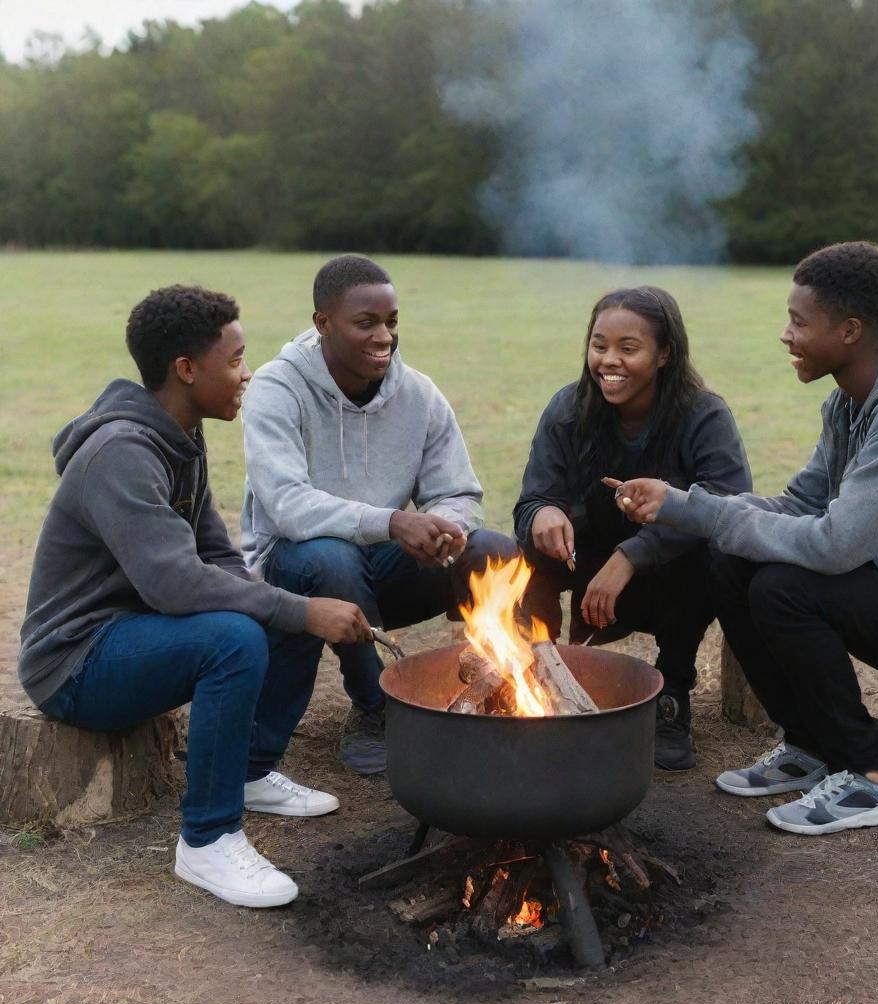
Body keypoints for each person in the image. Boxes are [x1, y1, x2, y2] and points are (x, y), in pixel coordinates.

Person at [608, 241, 878, 834]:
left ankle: (871, 777)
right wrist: (688, 507)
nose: (786, 334)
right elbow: (800, 505)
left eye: (799, 322)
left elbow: (833, 546)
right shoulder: (848, 404)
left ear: (850, 331)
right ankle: (808, 745)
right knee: (731, 559)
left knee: (786, 587)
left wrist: (689, 508)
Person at [18, 285, 374, 908]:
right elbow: (176, 583)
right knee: (234, 636)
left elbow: (215, 557)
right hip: (75, 662)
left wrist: (288, 606)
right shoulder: (122, 453)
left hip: (133, 633)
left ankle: (250, 770)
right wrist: (300, 613)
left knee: (270, 599)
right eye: (235, 360)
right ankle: (208, 840)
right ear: (186, 369)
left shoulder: (179, 436)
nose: (248, 373)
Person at [240, 254, 517, 775]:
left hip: (384, 565)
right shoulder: (277, 389)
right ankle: (374, 707)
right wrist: (391, 522)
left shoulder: (419, 395)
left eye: (390, 322)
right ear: (324, 323)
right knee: (332, 558)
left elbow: (459, 491)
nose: (383, 336)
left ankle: (496, 691)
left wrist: (447, 529)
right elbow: (286, 506)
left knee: (493, 550)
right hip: (296, 568)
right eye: (365, 323)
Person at [513, 286, 752, 771]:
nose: (608, 361)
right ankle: (538, 677)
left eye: (628, 348)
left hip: (666, 582)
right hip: (583, 566)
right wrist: (542, 514)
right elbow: (530, 500)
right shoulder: (567, 409)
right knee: (525, 550)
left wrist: (633, 555)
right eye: (599, 345)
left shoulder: (704, 415)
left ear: (665, 353)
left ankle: (671, 698)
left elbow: (728, 506)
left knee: (716, 557)